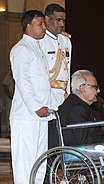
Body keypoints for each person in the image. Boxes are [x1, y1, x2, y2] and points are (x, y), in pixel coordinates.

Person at [9, 10, 58, 184]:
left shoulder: (37, 47)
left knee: (40, 162)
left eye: (44, 24)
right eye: (40, 24)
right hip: (27, 116)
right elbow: (23, 81)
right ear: (28, 26)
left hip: (41, 117)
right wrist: (36, 107)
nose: (44, 27)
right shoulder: (21, 49)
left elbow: (56, 39)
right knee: (25, 163)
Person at [40, 3, 72, 149]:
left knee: (61, 139)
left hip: (63, 98)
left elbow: (67, 70)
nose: (61, 24)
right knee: (48, 139)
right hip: (48, 97)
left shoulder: (66, 41)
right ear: (47, 19)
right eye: (58, 20)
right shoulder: (40, 41)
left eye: (63, 20)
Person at [2, 69, 15, 137]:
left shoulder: (18, 72)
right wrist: (9, 94)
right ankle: (9, 131)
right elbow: (4, 85)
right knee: (9, 114)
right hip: (9, 98)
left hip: (17, 98)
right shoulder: (9, 75)